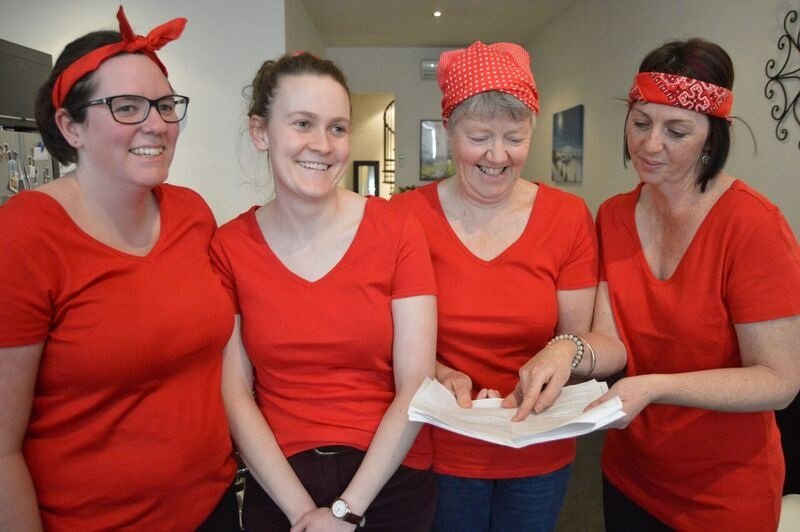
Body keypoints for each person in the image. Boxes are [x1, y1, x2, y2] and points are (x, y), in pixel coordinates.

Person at [0, 7, 238, 531]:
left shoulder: (192, 212)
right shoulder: (23, 236)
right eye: (127, 107)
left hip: (214, 508)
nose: (157, 123)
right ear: (71, 126)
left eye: (165, 105)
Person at [390, 41, 626, 532]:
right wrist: (433, 368)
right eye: (479, 136)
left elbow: (579, 339)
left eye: (515, 138)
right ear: (450, 131)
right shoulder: (403, 218)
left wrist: (566, 351)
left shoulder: (566, 218)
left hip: (536, 439)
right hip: (435, 439)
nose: (497, 156)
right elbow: (378, 335)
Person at [210, 52, 437, 531]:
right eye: (302, 123)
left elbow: (415, 383)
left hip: (388, 475)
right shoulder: (229, 246)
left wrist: (346, 512)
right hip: (279, 479)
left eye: (337, 128)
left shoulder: (398, 230)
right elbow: (235, 391)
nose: (323, 144)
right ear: (260, 132)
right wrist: (302, 514)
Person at [590, 38, 800, 531]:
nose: (649, 144)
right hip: (630, 473)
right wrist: (566, 352)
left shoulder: (752, 225)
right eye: (640, 123)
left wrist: (657, 387)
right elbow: (611, 343)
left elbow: (780, 380)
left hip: (725, 490)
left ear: (712, 137)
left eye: (676, 130)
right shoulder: (613, 215)